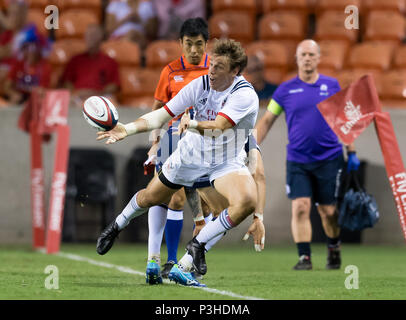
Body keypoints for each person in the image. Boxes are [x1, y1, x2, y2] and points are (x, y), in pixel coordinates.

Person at [96, 38, 259, 287]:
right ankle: (117, 225)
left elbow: (219, 126)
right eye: (211, 64)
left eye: (219, 67)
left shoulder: (245, 95)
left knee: (246, 202)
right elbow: (161, 115)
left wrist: (192, 123)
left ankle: (193, 251)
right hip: (190, 156)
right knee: (151, 197)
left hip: (225, 162)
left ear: (235, 71)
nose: (211, 71)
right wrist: (125, 130)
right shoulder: (201, 84)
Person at [254, 39, 360, 270]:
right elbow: (267, 121)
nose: (308, 58)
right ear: (297, 58)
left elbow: (344, 121)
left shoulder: (332, 85)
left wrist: (351, 151)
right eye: (303, 55)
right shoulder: (285, 90)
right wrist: (251, 147)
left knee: (328, 211)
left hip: (330, 159)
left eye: (312, 54)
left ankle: (333, 247)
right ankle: (305, 257)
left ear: (319, 58)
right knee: (301, 206)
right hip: (298, 159)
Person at [143, 17, 211, 283]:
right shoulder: (170, 71)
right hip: (174, 141)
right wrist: (155, 142)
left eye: (199, 44)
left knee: (208, 205)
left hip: (207, 141)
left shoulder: (215, 71)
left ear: (206, 44)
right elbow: (158, 107)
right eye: (188, 44)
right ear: (180, 44)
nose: (194, 50)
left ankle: (188, 259)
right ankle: (169, 260)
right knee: (175, 198)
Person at [60, 24, 120, 108]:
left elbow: (114, 85)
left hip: (101, 97)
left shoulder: (110, 61)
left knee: (112, 103)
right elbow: (67, 83)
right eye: (87, 36)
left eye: (93, 36)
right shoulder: (75, 60)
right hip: (78, 97)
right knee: (68, 102)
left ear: (100, 38)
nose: (89, 39)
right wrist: (76, 93)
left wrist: (97, 93)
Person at [3, 25, 51, 105]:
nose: (30, 51)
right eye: (27, 47)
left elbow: (43, 91)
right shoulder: (18, 64)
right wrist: (12, 94)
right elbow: (7, 85)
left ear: (40, 49)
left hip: (36, 101)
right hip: (18, 99)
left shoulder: (45, 67)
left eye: (34, 47)